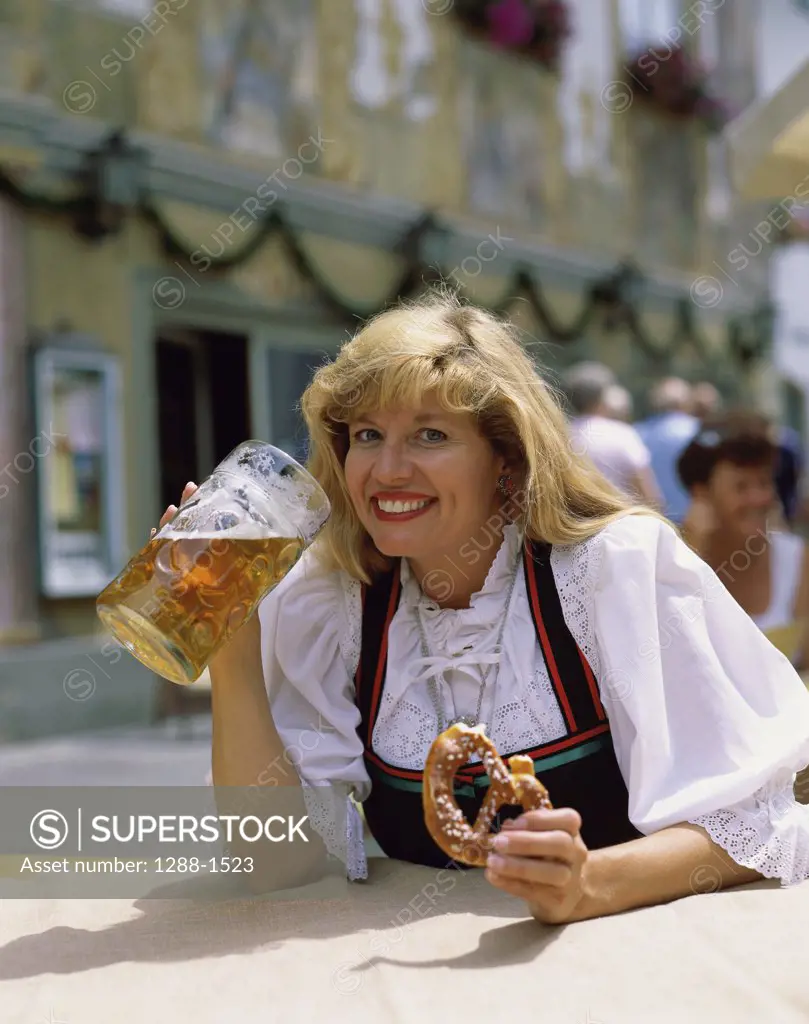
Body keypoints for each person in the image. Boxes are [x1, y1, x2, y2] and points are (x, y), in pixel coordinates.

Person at [159, 297, 809, 925]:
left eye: (430, 435)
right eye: (366, 435)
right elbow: (278, 864)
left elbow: (755, 825)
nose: (387, 470)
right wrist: (231, 641)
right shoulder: (332, 599)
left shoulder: (613, 570)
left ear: (506, 457)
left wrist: (589, 884)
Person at [678, 413, 809, 669]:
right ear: (701, 493)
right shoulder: (674, 562)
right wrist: (692, 557)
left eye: (764, 482)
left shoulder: (796, 558)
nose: (759, 498)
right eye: (741, 487)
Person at [563, 362, 661, 506]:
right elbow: (646, 491)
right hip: (623, 520)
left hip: (576, 522)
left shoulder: (561, 436)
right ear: (603, 397)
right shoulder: (622, 434)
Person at [634, 377, 699, 525]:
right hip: (694, 522)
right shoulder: (698, 431)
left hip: (653, 521)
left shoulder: (637, 433)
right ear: (685, 402)